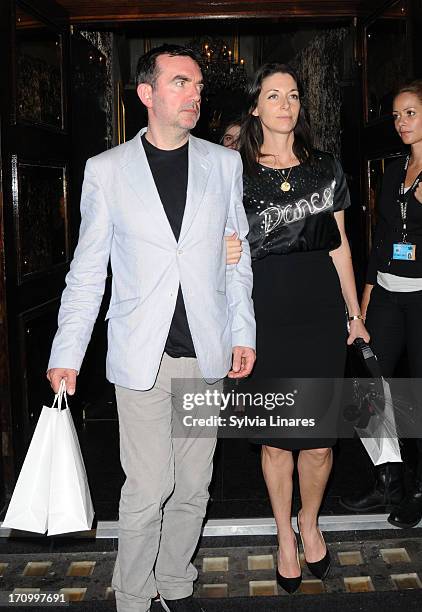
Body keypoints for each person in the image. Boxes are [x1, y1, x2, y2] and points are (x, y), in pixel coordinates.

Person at [46, 44, 256, 612]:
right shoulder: (106, 171)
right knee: (148, 487)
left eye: (197, 85)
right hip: (143, 357)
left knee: (191, 487)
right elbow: (88, 272)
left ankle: (174, 586)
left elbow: (237, 261)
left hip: (204, 353)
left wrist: (244, 334)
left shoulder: (223, 163)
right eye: (181, 83)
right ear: (147, 93)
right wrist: (67, 351)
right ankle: (134, 597)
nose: (194, 94)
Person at [226, 62, 369, 593]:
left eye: (292, 95)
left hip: (319, 312)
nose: (285, 104)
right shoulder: (233, 174)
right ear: (256, 107)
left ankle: (310, 521)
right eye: (273, 95)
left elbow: (340, 248)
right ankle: (283, 533)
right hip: (264, 313)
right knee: (276, 443)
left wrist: (355, 315)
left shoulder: (327, 168)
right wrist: (224, 249)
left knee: (319, 443)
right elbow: (207, 237)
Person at [340, 80, 422, 528]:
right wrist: (365, 303)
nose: (401, 122)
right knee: (366, 386)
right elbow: (382, 239)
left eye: (410, 112)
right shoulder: (394, 170)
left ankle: (417, 488)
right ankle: (390, 478)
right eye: (396, 115)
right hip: (388, 293)